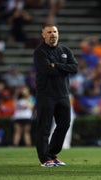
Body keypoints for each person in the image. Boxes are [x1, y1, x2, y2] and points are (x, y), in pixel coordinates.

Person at [33, 24, 78, 167]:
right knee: (44, 127)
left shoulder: (65, 50)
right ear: (43, 35)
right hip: (46, 95)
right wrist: (63, 68)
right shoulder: (40, 52)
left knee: (64, 124)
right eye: (49, 32)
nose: (53, 34)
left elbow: (75, 68)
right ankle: (44, 159)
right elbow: (47, 70)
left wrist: (56, 65)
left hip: (63, 94)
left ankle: (52, 154)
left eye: (55, 31)